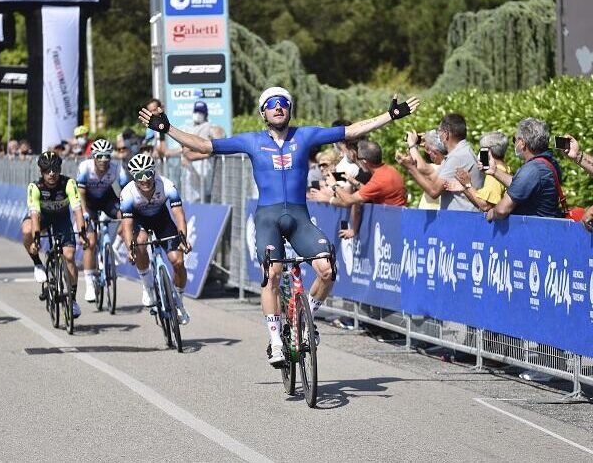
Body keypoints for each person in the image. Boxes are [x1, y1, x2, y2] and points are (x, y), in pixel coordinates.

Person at [139, 86, 420, 366]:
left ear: (289, 109)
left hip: (299, 217)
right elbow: (203, 146)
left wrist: (390, 116)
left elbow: (352, 131)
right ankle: (275, 342)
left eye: (283, 103)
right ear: (263, 112)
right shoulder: (251, 140)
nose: (278, 107)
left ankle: (305, 317)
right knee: (272, 274)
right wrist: (168, 128)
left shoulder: (305, 135)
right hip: (267, 217)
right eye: (272, 104)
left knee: (327, 270)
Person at [120, 154, 191, 323]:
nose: (144, 180)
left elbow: (179, 215)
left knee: (178, 262)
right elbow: (127, 225)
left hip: (161, 220)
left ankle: (178, 301)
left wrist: (183, 239)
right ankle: (147, 286)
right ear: (133, 177)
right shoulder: (128, 193)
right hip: (139, 221)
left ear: (154, 172)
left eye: (148, 174)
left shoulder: (167, 185)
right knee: (140, 243)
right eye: (139, 176)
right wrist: (130, 249)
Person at [21, 152, 88, 319]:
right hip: (42, 218)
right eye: (47, 170)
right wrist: (36, 239)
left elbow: (78, 210)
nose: (52, 174)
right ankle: (37, 264)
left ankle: (72, 299)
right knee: (27, 230)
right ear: (41, 171)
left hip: (61, 219)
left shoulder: (68, 183)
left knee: (69, 256)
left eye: (55, 169)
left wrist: (82, 232)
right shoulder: (35, 187)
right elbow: (35, 215)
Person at [76, 139, 130, 303]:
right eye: (100, 156)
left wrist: (126, 219)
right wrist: (85, 215)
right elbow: (81, 195)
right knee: (90, 243)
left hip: (107, 200)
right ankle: (90, 284)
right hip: (89, 203)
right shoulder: (85, 168)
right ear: (93, 157)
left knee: (126, 216)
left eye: (107, 156)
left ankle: (115, 246)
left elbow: (127, 192)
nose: (104, 160)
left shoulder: (116, 168)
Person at [397, 113, 483, 212]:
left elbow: (434, 191)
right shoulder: (459, 152)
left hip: (461, 220)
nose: (438, 135)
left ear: (446, 134)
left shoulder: (458, 157)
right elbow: (433, 176)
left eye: (439, 131)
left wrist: (411, 168)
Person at [487, 118, 564, 221]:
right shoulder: (550, 162)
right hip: (547, 229)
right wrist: (494, 171)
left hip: (533, 232)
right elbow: (522, 186)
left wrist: (492, 213)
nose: (514, 144)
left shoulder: (532, 169)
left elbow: (502, 210)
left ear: (522, 143)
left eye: (515, 140)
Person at [311, 141, 407, 207]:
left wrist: (334, 186)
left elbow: (349, 200)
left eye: (358, 159)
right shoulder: (389, 170)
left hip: (393, 223)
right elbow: (370, 190)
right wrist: (353, 181)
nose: (357, 162)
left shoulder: (380, 179)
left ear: (364, 161)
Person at [452, 131, 511, 212]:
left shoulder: (494, 176)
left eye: (482, 149)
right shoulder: (504, 168)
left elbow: (485, 206)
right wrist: (465, 188)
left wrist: (468, 185)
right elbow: (480, 203)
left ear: (488, 151)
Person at [180, 101, 225, 202]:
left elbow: (219, 135)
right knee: (190, 201)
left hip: (203, 172)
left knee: (202, 200)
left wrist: (209, 153)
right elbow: (187, 153)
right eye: (196, 111)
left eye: (201, 112)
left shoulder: (209, 127)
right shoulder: (190, 129)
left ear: (206, 114)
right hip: (191, 174)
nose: (198, 114)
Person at [396, 129, 446, 210]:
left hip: (436, 217)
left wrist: (412, 144)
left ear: (435, 151)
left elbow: (420, 167)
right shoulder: (449, 164)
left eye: (428, 150)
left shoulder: (442, 168)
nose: (428, 153)